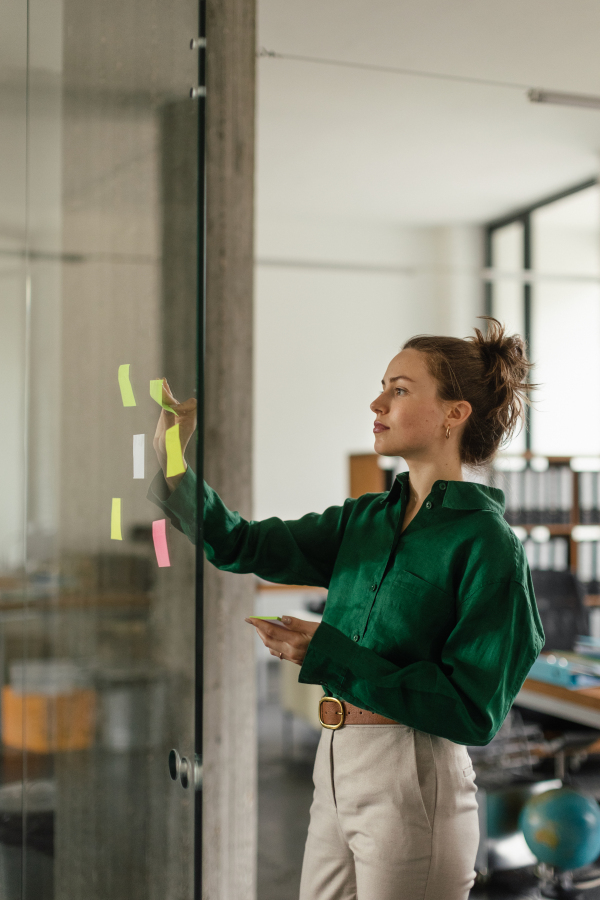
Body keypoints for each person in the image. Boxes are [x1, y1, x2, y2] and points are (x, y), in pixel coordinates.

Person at [149, 316, 544, 900]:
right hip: (335, 758)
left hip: (415, 770)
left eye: (400, 389)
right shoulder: (363, 519)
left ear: (453, 414)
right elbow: (242, 543)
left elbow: (473, 711)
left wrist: (328, 652)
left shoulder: (489, 546)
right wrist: (172, 458)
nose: (377, 401)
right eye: (384, 385)